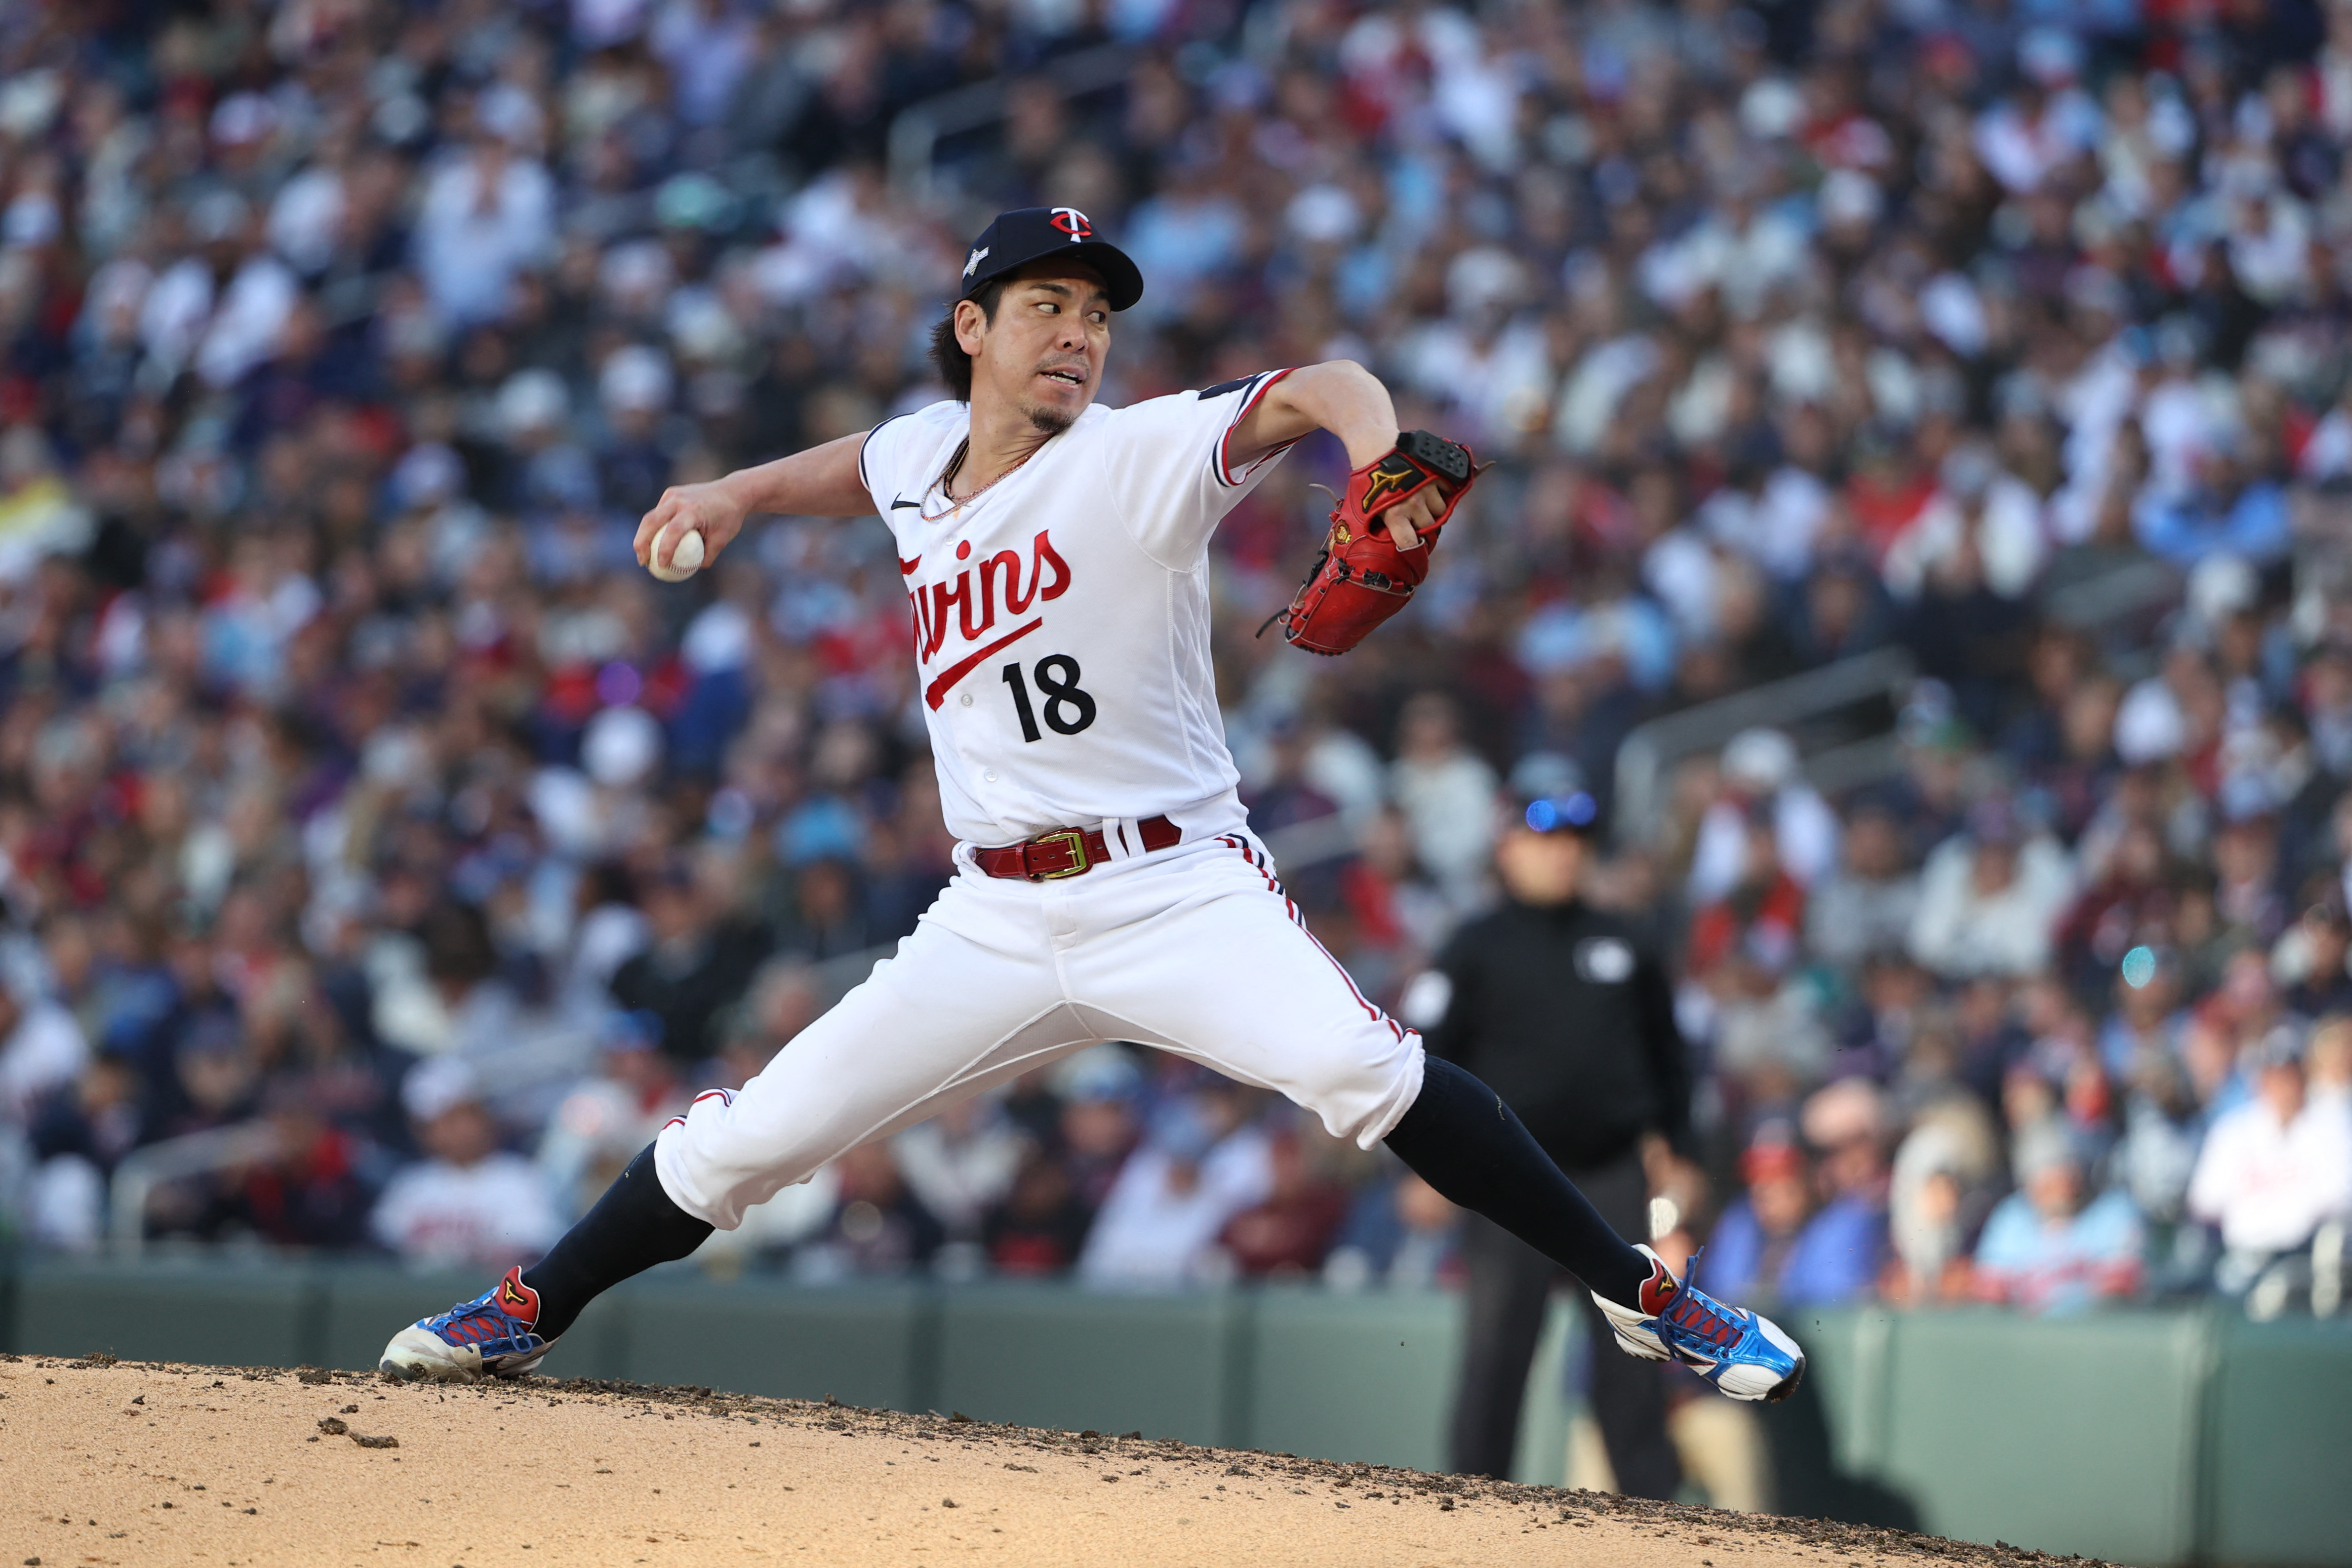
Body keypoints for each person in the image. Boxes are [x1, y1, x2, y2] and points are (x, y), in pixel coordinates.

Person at [379, 207, 1803, 1405]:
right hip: (993, 913)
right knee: (747, 1139)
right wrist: (737, 495)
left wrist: (1379, 458)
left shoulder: (1131, 457)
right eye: (1045, 304)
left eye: (1095, 315)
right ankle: (529, 1308)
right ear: (970, 328)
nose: (1077, 333)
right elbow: (856, 470)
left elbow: (1317, 385)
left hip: (1174, 889)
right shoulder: (916, 458)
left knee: (1368, 1078)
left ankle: (1640, 1294)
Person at [1409, 783, 1694, 1493]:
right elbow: (1422, 1061)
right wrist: (1417, 1167)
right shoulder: (1472, 946)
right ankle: (1470, 1516)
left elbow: (1671, 1054)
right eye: (1545, 839)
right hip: (1504, 1177)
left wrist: (1682, 1153)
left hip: (1610, 1172)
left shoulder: (1624, 940)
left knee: (1634, 1354)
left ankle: (1651, 1526)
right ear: (1507, 847)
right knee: (1497, 1355)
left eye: (1575, 840)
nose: (1563, 855)